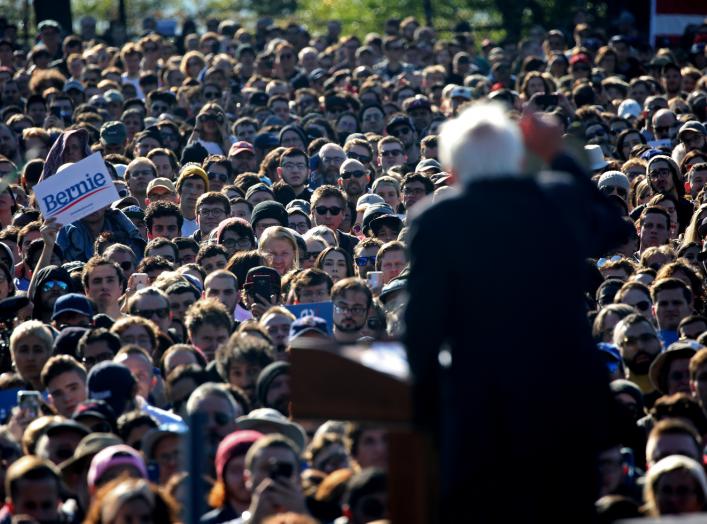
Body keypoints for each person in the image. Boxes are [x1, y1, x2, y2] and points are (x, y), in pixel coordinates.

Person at [404, 102, 625, 522]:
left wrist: (430, 416)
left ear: (452, 171)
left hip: (479, 417)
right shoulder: (558, 198)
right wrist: (557, 153)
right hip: (566, 409)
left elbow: (423, 330)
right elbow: (615, 227)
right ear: (518, 159)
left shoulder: (437, 221)